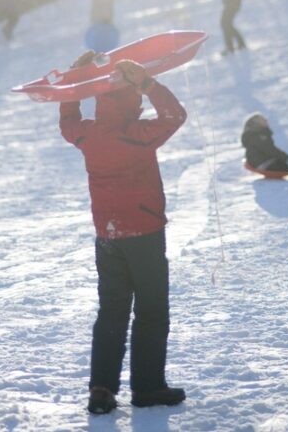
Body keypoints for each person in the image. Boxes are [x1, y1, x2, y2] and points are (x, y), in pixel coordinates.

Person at [59, 51, 187, 415]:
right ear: (132, 102)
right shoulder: (137, 133)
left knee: (112, 309)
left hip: (108, 235)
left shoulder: (88, 133)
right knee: (151, 309)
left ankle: (101, 390)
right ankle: (147, 387)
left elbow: (68, 121)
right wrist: (148, 83)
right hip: (143, 232)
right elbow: (175, 116)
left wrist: (75, 78)